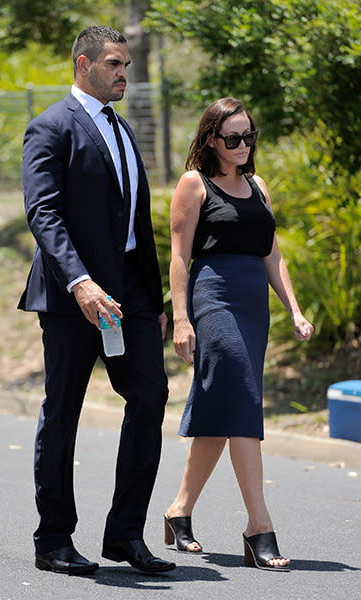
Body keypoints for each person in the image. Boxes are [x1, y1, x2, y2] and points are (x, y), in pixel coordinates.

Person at [18, 25, 176, 575]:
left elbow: (138, 222)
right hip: (72, 296)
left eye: (126, 64)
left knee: (150, 395)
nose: (123, 73)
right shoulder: (50, 127)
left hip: (129, 294)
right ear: (83, 65)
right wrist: (79, 281)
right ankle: (53, 539)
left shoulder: (125, 131)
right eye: (113, 64)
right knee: (63, 414)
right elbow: (44, 213)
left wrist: (154, 301)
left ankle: (125, 534)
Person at [163, 97, 314, 571]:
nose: (244, 144)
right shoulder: (195, 184)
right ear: (211, 139)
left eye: (249, 136)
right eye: (233, 137)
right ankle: (259, 527)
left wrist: (293, 309)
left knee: (219, 411)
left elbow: (272, 255)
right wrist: (182, 319)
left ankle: (178, 512)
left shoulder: (258, 185)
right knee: (243, 401)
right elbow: (180, 257)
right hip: (213, 299)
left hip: (253, 306)